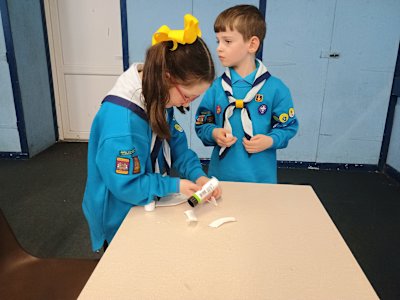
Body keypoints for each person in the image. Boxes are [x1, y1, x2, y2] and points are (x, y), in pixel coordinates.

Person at [82, 14, 219, 252]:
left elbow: (176, 144)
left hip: (145, 200)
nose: (186, 103)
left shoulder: (159, 94)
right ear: (168, 77)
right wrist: (172, 186)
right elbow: (125, 185)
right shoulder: (122, 123)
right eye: (188, 97)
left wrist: (198, 176)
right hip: (119, 217)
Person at [195, 5, 298, 183]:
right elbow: (202, 124)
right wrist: (213, 133)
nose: (219, 48)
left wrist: (270, 140)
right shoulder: (216, 87)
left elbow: (288, 127)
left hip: (260, 179)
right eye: (217, 41)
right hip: (221, 179)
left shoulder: (276, 88)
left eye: (227, 41)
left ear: (252, 44)